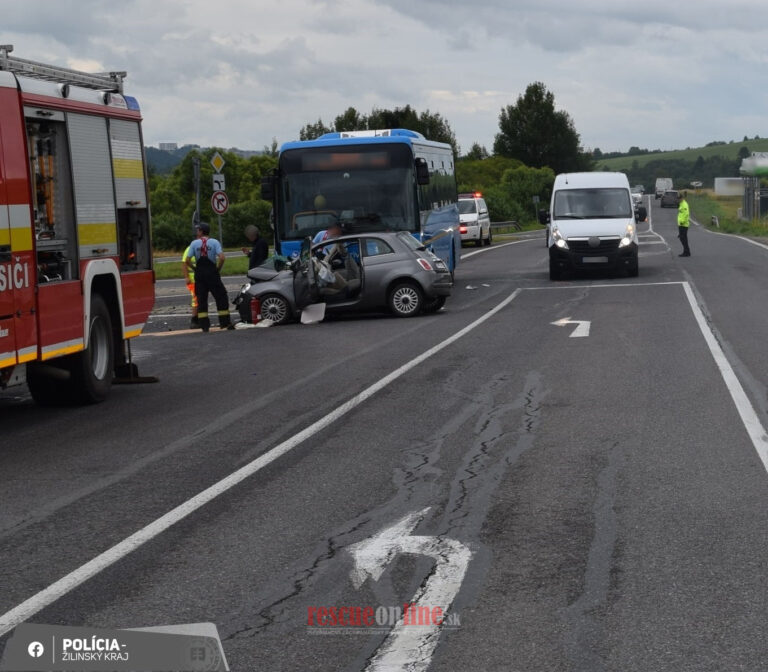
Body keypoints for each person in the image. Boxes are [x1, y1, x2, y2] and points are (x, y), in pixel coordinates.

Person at [185, 222, 233, 331]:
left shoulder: (194, 243)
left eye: (198, 230)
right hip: (212, 273)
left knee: (201, 300)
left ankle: (204, 325)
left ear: (201, 231)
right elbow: (222, 258)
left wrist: (195, 269)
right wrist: (218, 269)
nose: (197, 232)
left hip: (200, 274)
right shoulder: (215, 242)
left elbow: (187, 260)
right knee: (221, 296)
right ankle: (224, 322)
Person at [181, 244, 199, 329]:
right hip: (193, 280)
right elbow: (184, 263)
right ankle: (194, 319)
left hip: (200, 279)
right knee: (196, 299)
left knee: (199, 299)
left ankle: (198, 318)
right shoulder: (190, 249)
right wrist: (187, 277)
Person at [677, 192, 691, 257]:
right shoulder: (681, 204)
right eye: (678, 199)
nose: (678, 200)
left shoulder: (684, 204)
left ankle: (686, 252)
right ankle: (686, 251)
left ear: (682, 198)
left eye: (679, 198)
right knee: (682, 238)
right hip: (681, 224)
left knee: (683, 238)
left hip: (684, 224)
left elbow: (686, 214)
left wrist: (682, 221)